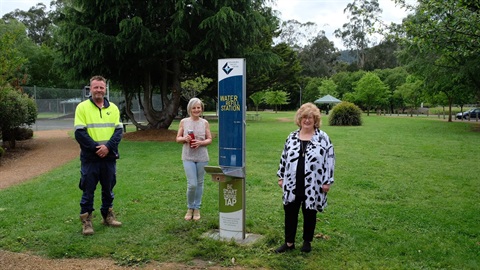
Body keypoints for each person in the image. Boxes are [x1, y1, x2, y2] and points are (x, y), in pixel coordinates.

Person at [275, 102, 335, 253]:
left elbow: (330, 160)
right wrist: (281, 176)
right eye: (304, 117)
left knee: (310, 213)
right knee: (290, 213)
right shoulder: (292, 137)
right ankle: (289, 243)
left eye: (310, 118)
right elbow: (284, 157)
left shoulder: (323, 138)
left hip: (313, 184)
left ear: (316, 120)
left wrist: (327, 181)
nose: (307, 120)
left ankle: (307, 242)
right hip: (292, 183)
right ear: (299, 119)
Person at [74, 75, 123, 235]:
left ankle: (107, 215)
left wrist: (107, 147)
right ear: (90, 88)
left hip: (109, 157)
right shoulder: (82, 107)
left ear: (105, 89)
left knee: (108, 188)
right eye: (96, 87)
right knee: (88, 190)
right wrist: (97, 148)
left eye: (101, 87)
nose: (99, 90)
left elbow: (118, 131)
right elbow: (80, 133)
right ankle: (87, 221)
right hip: (90, 158)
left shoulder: (114, 108)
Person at [176, 98, 212, 221]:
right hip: (188, 156)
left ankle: (197, 208)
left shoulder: (205, 122)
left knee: (200, 183)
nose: (197, 110)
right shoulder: (184, 122)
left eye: (199, 107)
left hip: (202, 156)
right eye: (194, 108)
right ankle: (190, 207)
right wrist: (184, 139)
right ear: (189, 109)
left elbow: (209, 139)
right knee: (192, 184)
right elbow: (177, 139)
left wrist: (201, 142)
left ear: (201, 109)